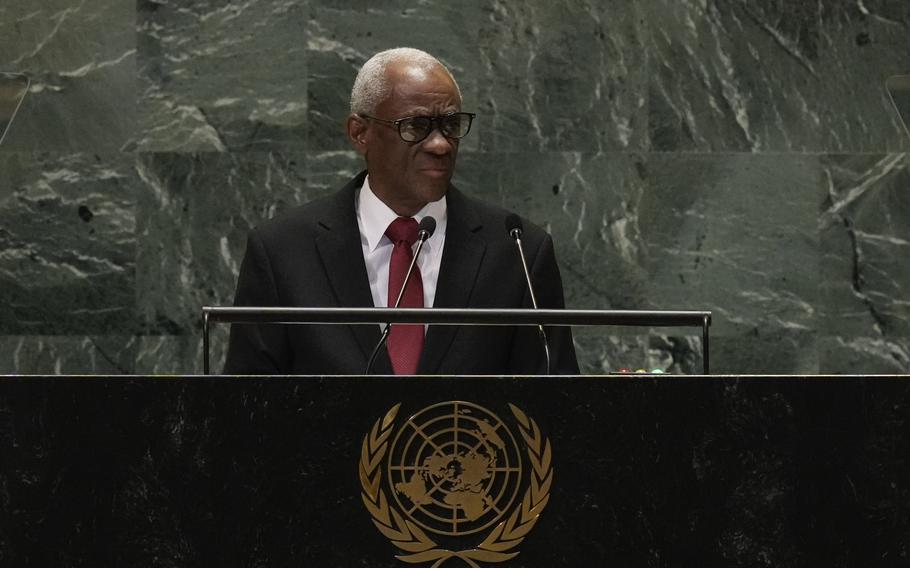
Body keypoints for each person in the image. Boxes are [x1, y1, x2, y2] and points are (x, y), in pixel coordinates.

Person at [224, 48, 578, 375]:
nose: (440, 145)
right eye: (416, 127)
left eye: (451, 126)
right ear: (360, 133)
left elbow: (556, 408)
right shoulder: (283, 251)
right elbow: (245, 409)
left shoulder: (517, 251)